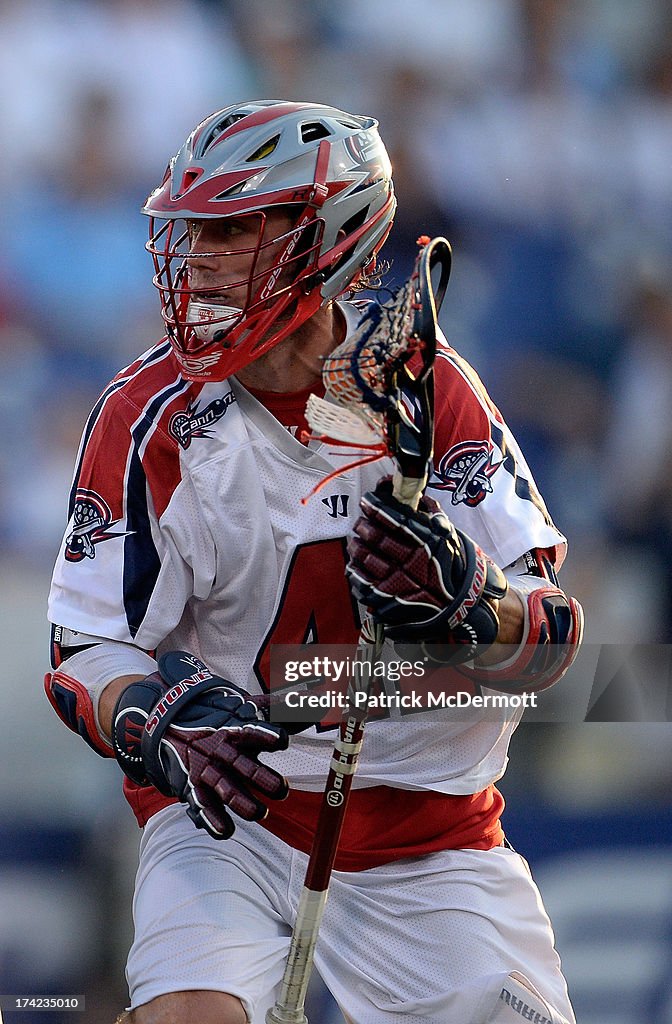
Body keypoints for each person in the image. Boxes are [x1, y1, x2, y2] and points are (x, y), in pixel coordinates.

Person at [45, 100, 583, 1024]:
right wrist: (153, 722)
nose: (201, 261)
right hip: (231, 818)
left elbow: (551, 639)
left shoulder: (427, 393)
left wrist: (472, 603)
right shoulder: (151, 423)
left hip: (431, 836)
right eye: (194, 233)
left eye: (235, 230)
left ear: (326, 235)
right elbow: (80, 654)